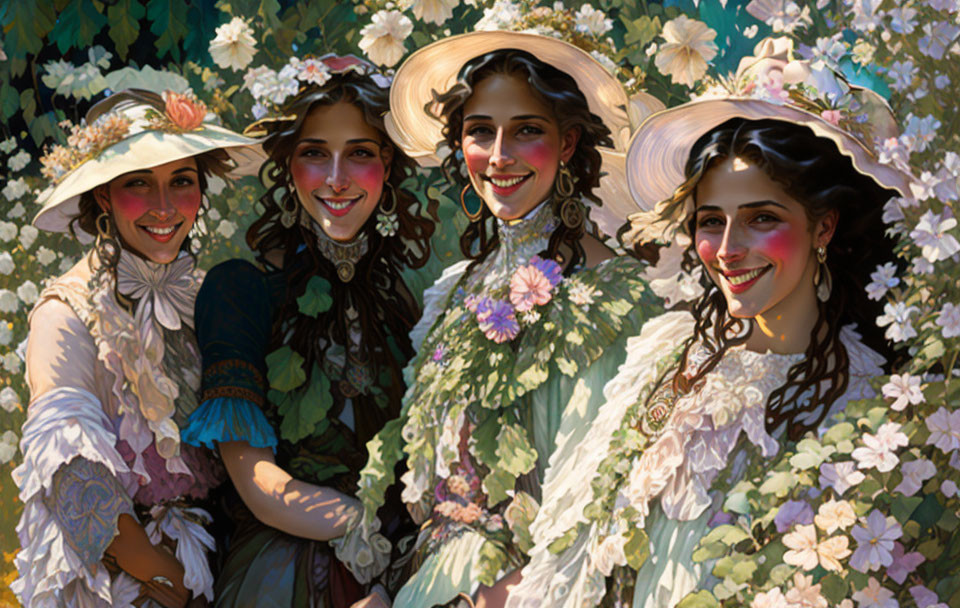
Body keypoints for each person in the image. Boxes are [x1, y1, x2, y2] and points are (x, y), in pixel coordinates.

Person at [507, 37, 913, 608]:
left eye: (761, 219)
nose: (725, 250)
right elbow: (573, 544)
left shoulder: (864, 402)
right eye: (710, 221)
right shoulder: (667, 350)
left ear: (823, 228)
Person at [341, 31, 661, 608]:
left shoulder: (612, 294)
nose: (500, 155)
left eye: (527, 131)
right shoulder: (457, 287)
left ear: (567, 144)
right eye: (481, 131)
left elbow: (601, 501)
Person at [180, 54, 435, 607]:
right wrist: (354, 526)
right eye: (315, 154)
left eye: (360, 154)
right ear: (287, 165)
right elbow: (258, 484)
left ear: (387, 167)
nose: (337, 179)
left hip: (396, 569)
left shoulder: (403, 302)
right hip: (282, 568)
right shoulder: (241, 291)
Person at [12, 89, 264, 607]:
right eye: (139, 185)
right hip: (124, 580)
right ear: (104, 196)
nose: (165, 207)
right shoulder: (66, 312)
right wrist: (174, 587)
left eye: (182, 182)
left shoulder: (202, 299)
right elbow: (73, 482)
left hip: (218, 558)